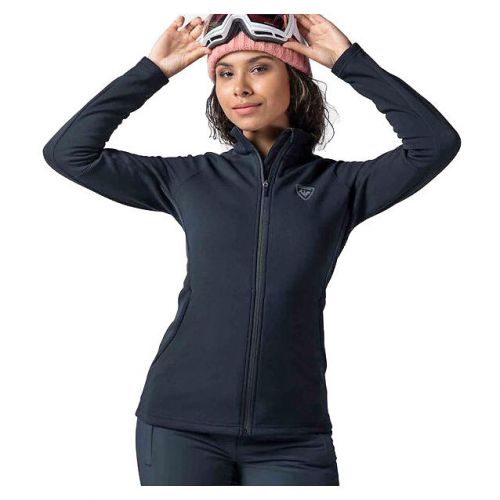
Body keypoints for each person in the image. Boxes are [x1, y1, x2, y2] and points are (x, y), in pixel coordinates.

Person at [42, 14, 461, 486]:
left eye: (259, 68)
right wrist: (152, 71)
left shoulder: (341, 187)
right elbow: (70, 153)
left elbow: (434, 144)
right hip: (180, 425)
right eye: (225, 73)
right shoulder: (189, 179)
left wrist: (348, 61)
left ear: (295, 80)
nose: (240, 87)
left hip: (293, 435)